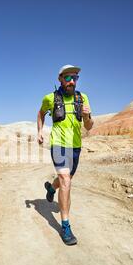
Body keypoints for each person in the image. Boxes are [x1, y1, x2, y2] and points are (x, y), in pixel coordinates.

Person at [37, 64, 93, 245]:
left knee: (66, 180)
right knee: (66, 180)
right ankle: (66, 226)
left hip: (76, 146)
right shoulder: (50, 98)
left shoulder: (82, 98)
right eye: (68, 77)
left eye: (75, 78)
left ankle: (52, 189)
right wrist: (39, 131)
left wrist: (87, 116)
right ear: (60, 79)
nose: (71, 81)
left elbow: (89, 126)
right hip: (59, 145)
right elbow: (40, 114)